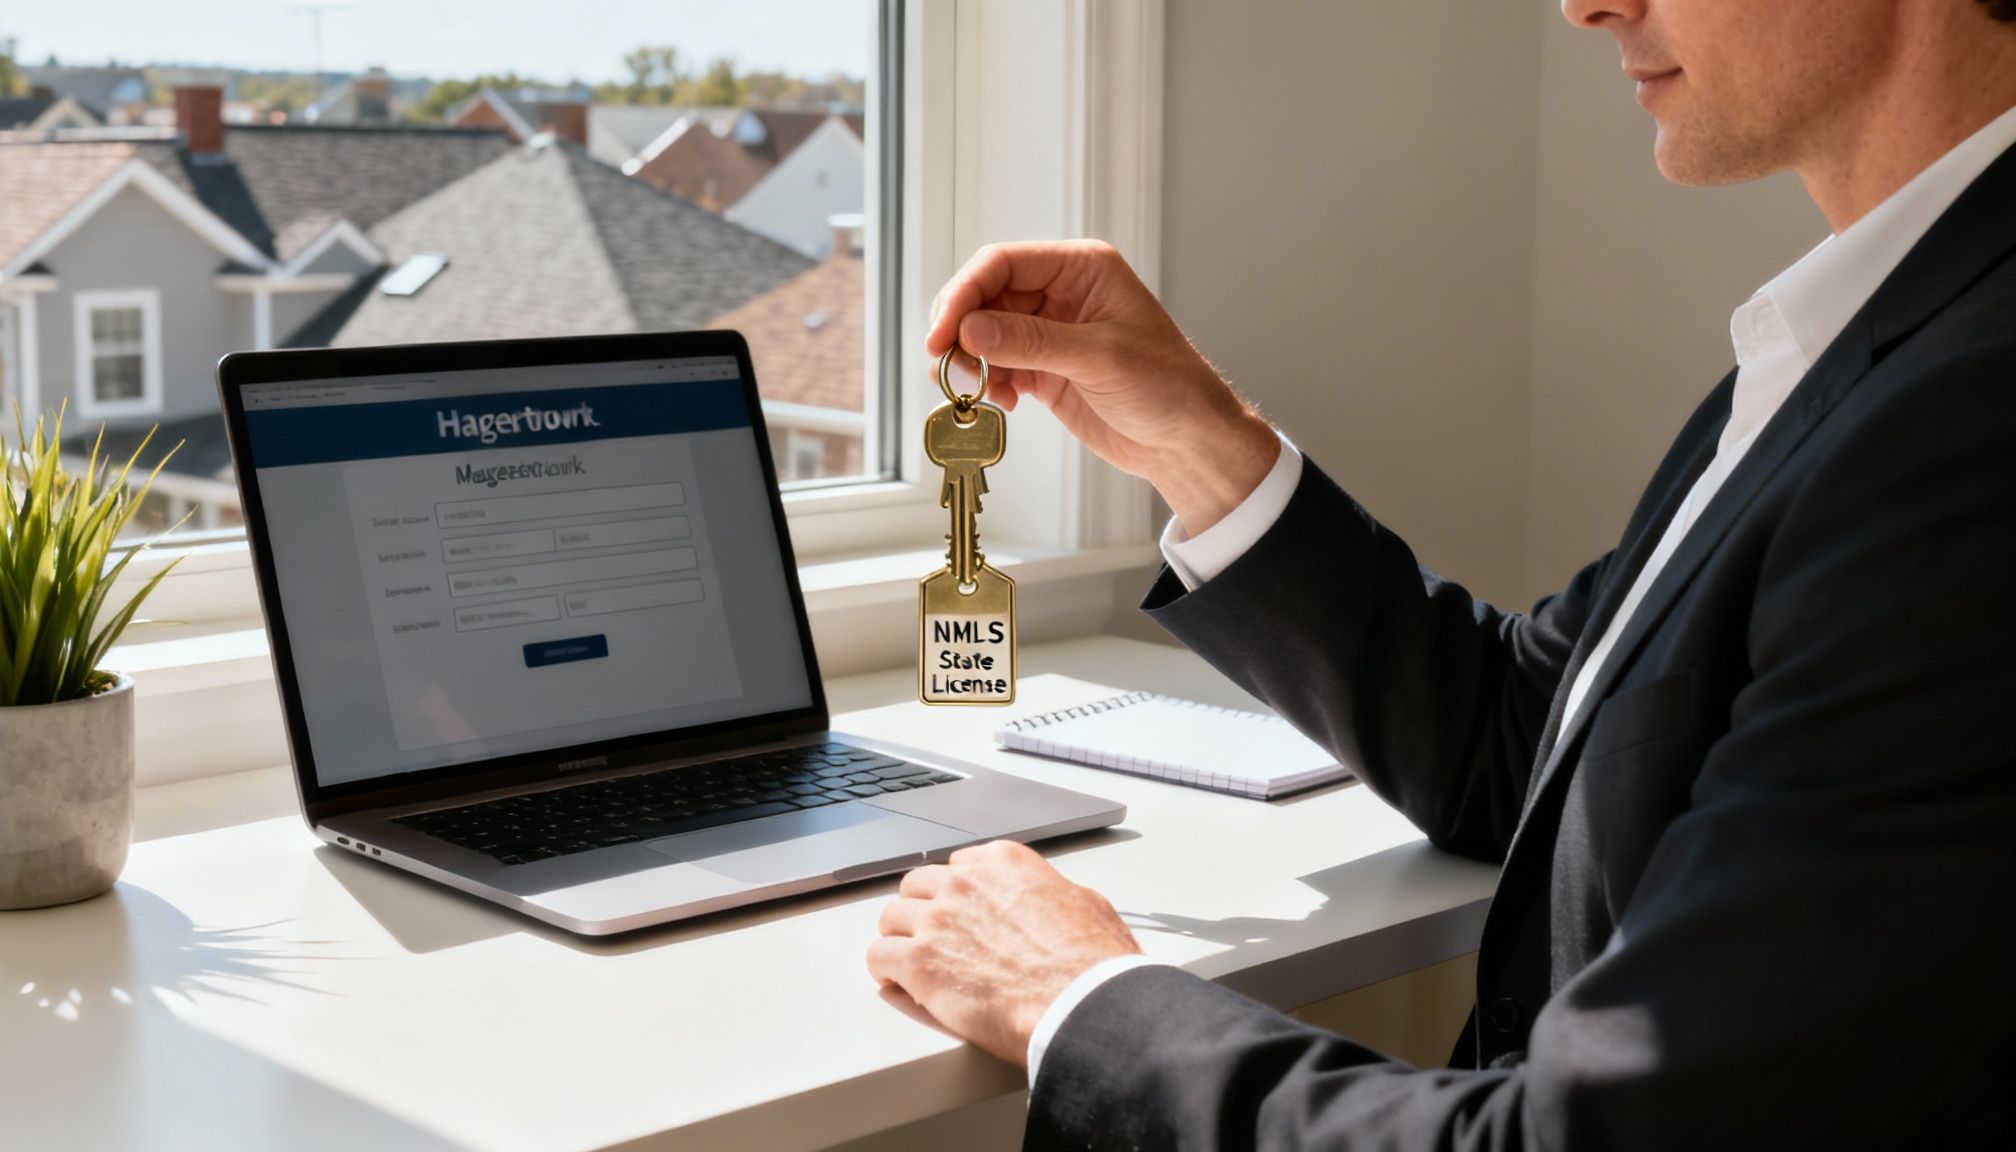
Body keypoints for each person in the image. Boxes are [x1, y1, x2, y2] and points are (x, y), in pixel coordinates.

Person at [864, 0, 2016, 1147]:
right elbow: (1526, 739)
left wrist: (1078, 1003)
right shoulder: (1871, 337)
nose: (1584, 4)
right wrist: (1198, 446)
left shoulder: (1967, 432)